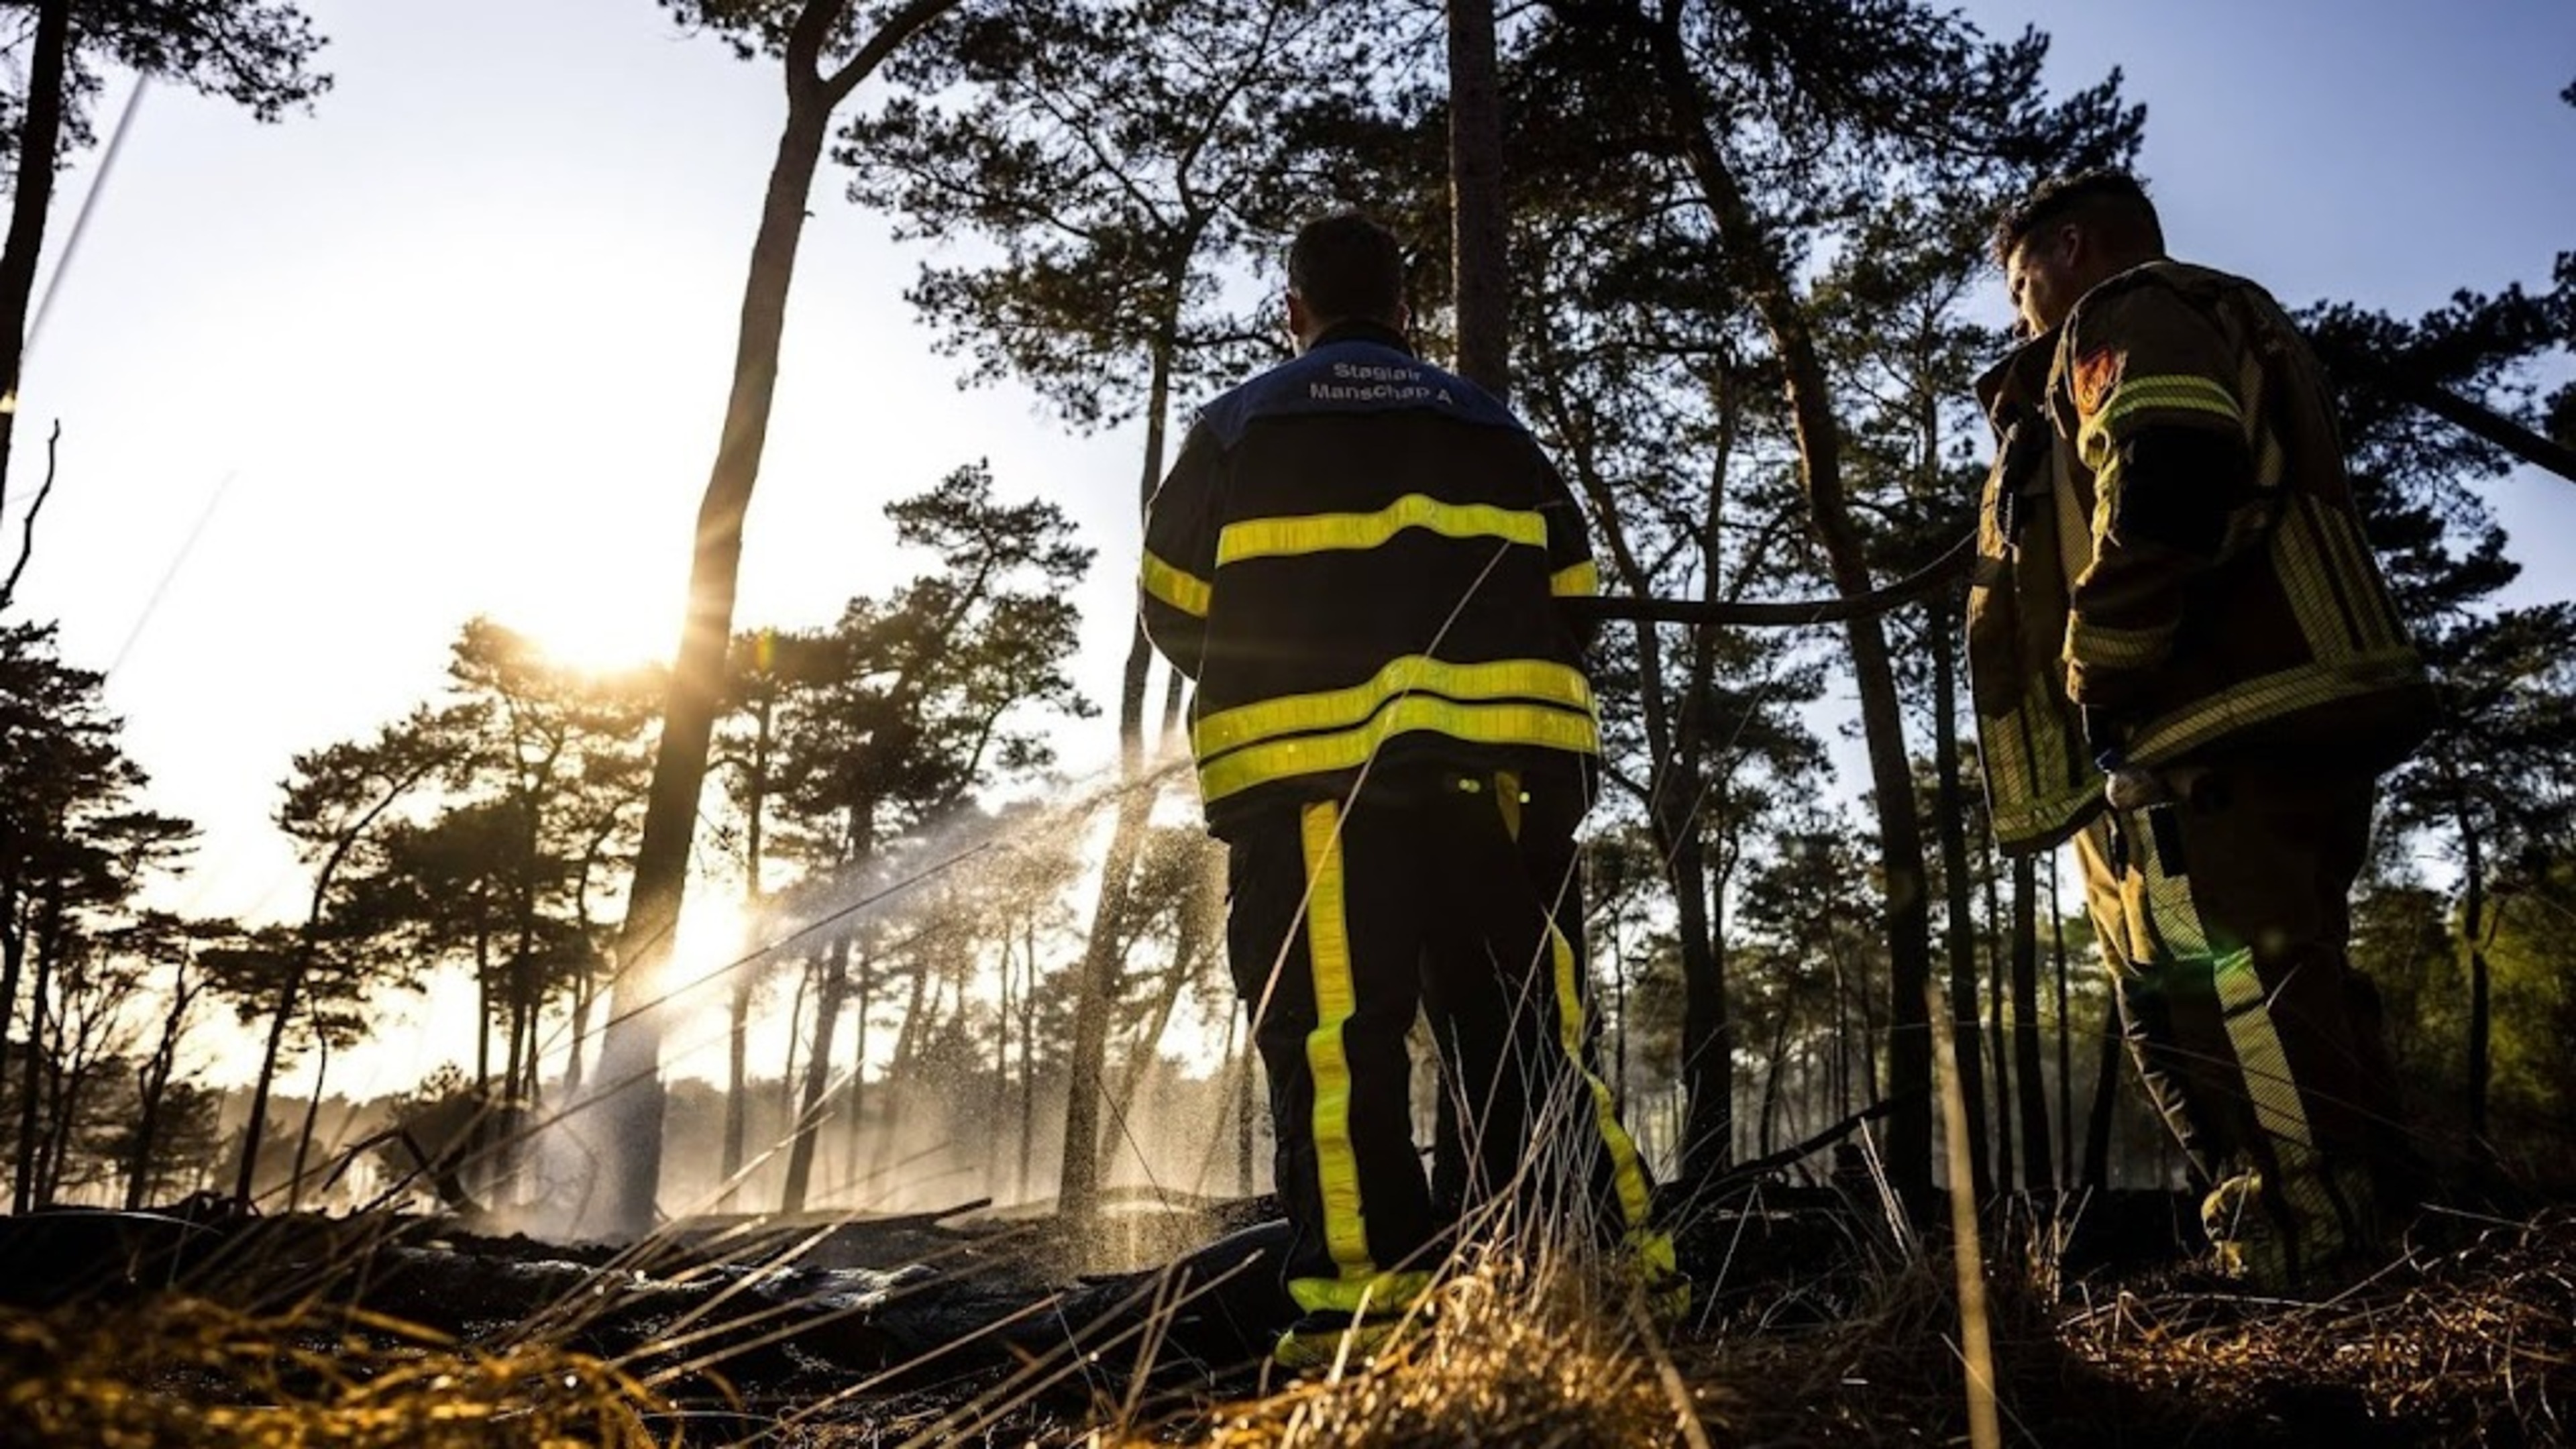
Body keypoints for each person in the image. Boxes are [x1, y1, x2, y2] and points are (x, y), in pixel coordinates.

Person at [1138, 211, 1672, 1368]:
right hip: (1500, 784)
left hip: (1315, 786)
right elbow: (1571, 596)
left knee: (1339, 1041)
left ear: (1295, 310)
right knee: (1528, 1031)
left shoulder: (1237, 425)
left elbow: (1173, 604)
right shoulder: (1490, 423)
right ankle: (1602, 1284)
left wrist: (1290, 667)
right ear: (1409, 307)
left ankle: (1369, 1325)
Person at [1968, 169, 2438, 1289]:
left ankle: (2312, 1267)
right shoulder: (2205, 318)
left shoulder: (2123, 314)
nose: (2019, 311)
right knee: (2289, 986)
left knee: (2229, 1006)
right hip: (2250, 718)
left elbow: (2171, 469)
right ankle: (2370, 1240)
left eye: (2020, 282)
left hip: (2200, 730)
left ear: (2070, 248)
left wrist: (2104, 666)